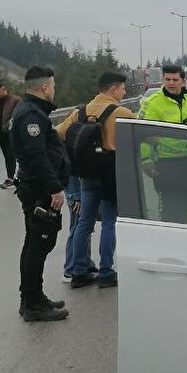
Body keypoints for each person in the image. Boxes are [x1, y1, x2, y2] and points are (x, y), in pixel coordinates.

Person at [56, 71, 134, 288]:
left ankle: (79, 271)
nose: (124, 92)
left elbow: (59, 134)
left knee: (84, 222)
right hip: (110, 172)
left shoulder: (80, 112)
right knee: (109, 221)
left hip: (85, 173)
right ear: (113, 89)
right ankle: (106, 272)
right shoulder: (122, 113)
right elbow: (140, 139)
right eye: (122, 88)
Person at [9, 66, 69, 321]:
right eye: (52, 86)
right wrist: (54, 187)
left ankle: (32, 296)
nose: (53, 89)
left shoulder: (28, 111)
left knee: (36, 242)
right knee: (39, 243)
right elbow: (36, 156)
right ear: (45, 87)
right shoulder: (31, 115)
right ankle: (33, 303)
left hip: (35, 186)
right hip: (38, 189)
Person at [140, 64, 187, 224]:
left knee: (185, 206)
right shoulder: (152, 103)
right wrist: (146, 160)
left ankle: (180, 239)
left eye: (175, 80)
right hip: (165, 162)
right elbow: (143, 133)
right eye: (167, 79)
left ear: (183, 81)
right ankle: (166, 241)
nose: (170, 83)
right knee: (169, 209)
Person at [0, 82, 21, 188]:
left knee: (11, 155)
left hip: (11, 132)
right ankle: (13, 177)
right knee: (7, 156)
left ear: (3, 89)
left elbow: (19, 116)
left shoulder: (15, 100)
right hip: (0, 133)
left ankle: (10, 179)